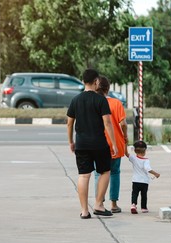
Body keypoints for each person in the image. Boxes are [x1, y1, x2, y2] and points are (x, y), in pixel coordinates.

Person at [67, 69, 118, 219]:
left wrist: (71, 141)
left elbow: (69, 124)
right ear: (96, 82)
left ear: (83, 81)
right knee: (105, 171)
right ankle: (98, 205)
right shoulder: (101, 100)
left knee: (83, 176)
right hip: (99, 144)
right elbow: (107, 122)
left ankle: (84, 211)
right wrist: (114, 143)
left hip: (81, 144)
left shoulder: (75, 100)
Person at [94, 75, 128, 213]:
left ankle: (98, 202)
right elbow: (123, 124)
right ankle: (114, 204)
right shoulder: (116, 103)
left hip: (98, 143)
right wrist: (125, 137)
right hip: (116, 143)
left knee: (98, 173)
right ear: (108, 88)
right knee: (114, 173)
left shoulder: (93, 102)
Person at [125, 140, 160, 214]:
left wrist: (125, 144)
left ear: (134, 150)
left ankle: (133, 205)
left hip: (135, 180)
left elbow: (126, 154)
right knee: (144, 195)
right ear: (145, 151)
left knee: (134, 193)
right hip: (144, 181)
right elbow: (148, 169)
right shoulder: (146, 160)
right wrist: (156, 174)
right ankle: (144, 208)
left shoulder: (133, 158)